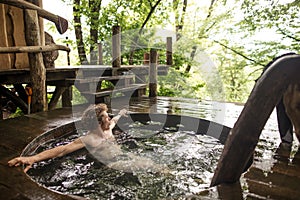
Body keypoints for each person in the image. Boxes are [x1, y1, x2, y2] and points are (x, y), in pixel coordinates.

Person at [8, 103, 168, 173]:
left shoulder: (108, 129)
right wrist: (33, 158)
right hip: (110, 165)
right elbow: (61, 150)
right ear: (98, 122)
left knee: (156, 164)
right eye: (106, 116)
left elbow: (114, 121)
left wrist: (121, 114)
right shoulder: (91, 138)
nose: (109, 118)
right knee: (152, 166)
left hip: (123, 156)